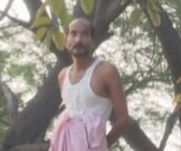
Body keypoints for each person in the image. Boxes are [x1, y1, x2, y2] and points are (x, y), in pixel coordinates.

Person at [49, 18, 129, 151]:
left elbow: (123, 120)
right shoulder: (62, 75)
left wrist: (101, 145)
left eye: (85, 34)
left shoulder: (107, 71)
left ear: (93, 41)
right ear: (65, 42)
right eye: (73, 33)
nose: (78, 39)